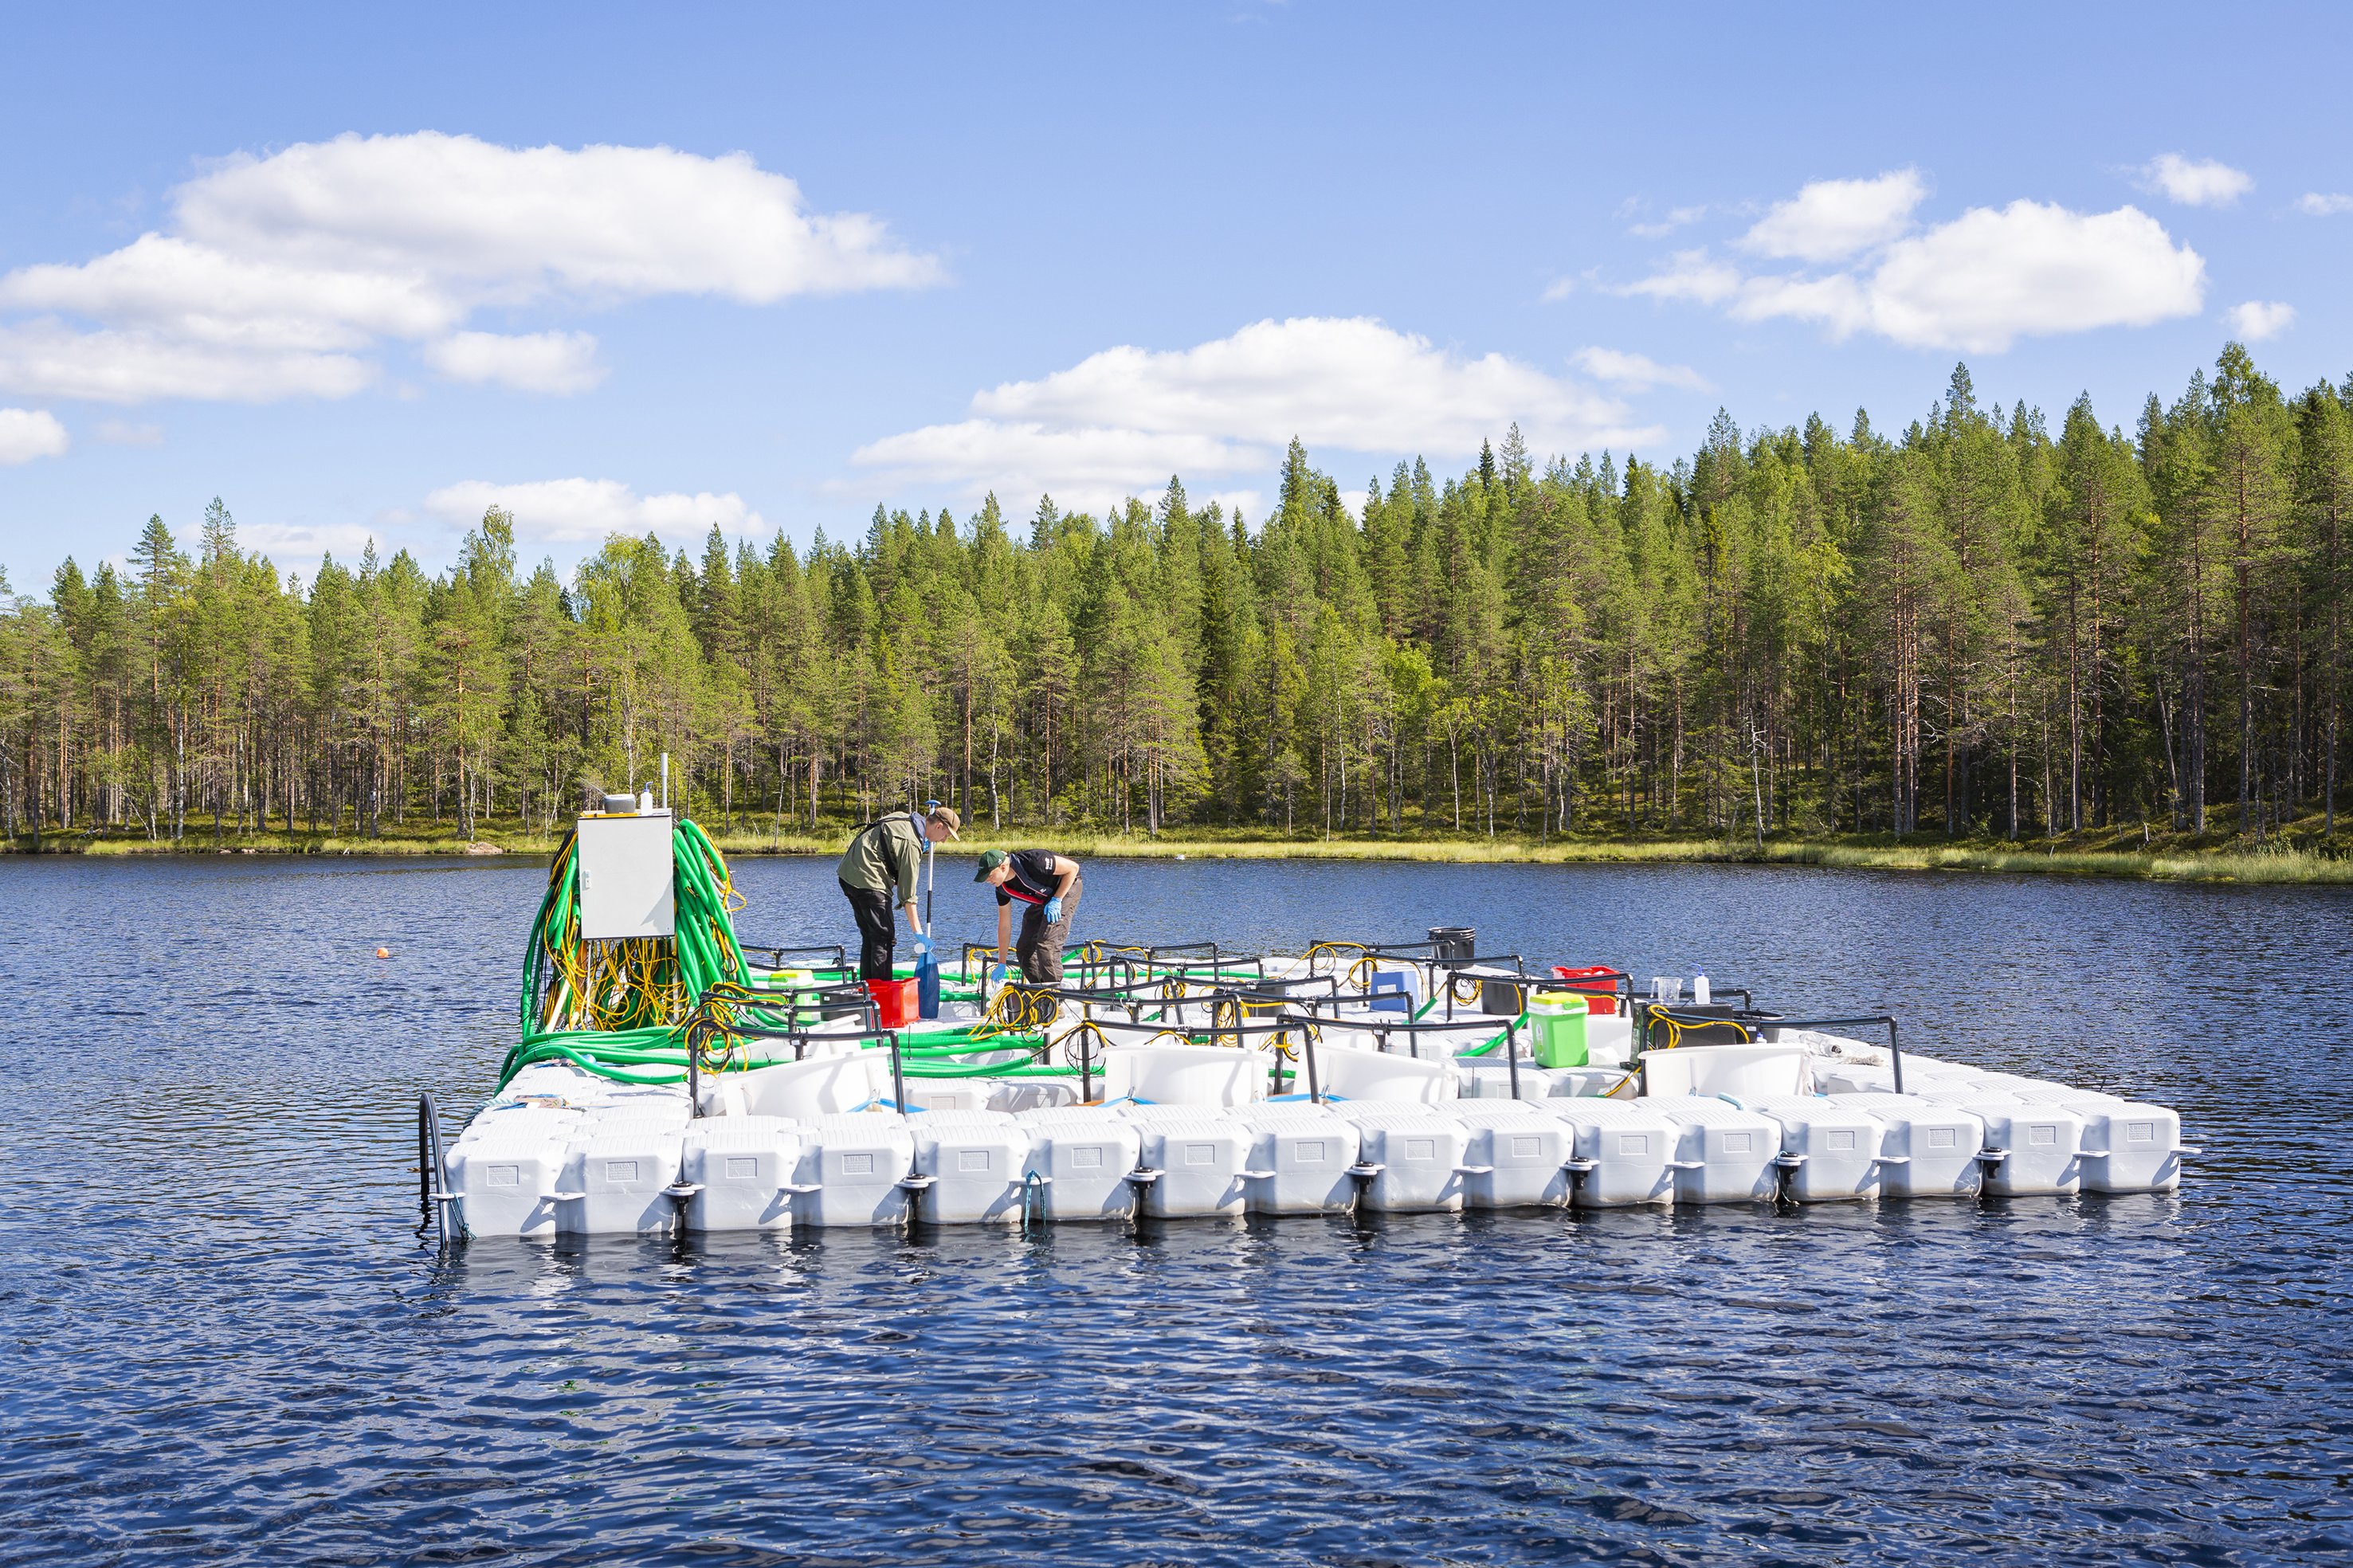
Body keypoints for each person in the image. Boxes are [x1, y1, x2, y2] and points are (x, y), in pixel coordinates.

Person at [837, 805, 961, 982]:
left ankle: (867, 991)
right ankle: (880, 994)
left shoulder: (905, 818)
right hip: (868, 880)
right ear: (939, 826)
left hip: (848, 875)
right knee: (884, 937)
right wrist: (919, 933)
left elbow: (884, 845)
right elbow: (908, 897)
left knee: (871, 936)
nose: (943, 841)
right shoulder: (912, 842)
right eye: (946, 835)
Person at [975, 847, 1082, 985]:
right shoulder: (1001, 890)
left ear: (1002, 868)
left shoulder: (1034, 861)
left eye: (989, 876)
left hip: (1068, 886)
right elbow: (1004, 926)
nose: (987, 881)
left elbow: (1073, 868)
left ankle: (1055, 997)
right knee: (1024, 948)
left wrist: (1057, 900)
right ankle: (1038, 991)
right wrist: (1002, 962)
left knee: (1046, 943)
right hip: (1044, 898)